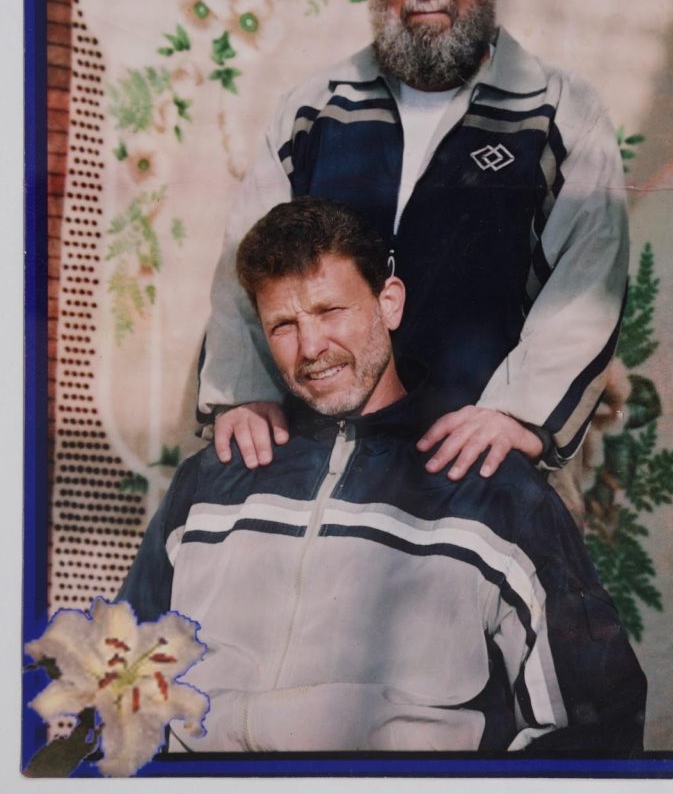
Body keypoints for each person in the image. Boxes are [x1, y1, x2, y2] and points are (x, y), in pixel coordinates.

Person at [122, 198, 645, 754]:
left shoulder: (491, 489)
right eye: (283, 325)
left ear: (388, 303)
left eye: (330, 311)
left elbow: (594, 725)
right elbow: (122, 684)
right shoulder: (211, 483)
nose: (311, 347)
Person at [198, 0, 628, 481]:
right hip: (315, 465)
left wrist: (520, 416)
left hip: (476, 470)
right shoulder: (311, 110)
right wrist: (243, 392)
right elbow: (248, 264)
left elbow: (590, 279)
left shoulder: (562, 114)